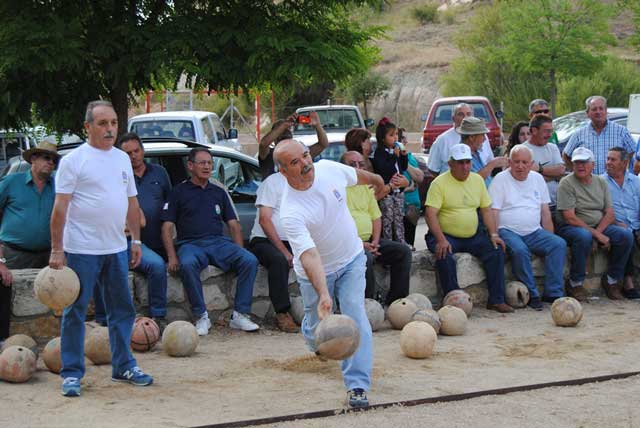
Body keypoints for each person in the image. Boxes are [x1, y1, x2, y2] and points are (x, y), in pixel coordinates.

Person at [50, 100, 153, 397]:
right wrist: (58, 250)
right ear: (87, 127)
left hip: (115, 248)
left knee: (122, 309)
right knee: (76, 310)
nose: (109, 129)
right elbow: (59, 210)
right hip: (81, 249)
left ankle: (123, 366)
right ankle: (71, 374)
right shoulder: (73, 161)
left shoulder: (122, 159)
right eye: (102, 124)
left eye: (113, 124)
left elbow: (132, 202)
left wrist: (135, 240)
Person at [274, 139, 385, 408]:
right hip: (315, 271)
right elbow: (310, 256)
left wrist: (378, 180)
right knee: (316, 327)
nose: (305, 164)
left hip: (351, 259)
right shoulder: (290, 211)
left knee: (355, 316)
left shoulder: (328, 169)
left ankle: (357, 385)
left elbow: (358, 176)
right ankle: (313, 336)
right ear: (283, 172)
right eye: (295, 163)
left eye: (305, 156)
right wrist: (324, 293)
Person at [161, 147, 259, 335]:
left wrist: (239, 253)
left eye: (209, 163)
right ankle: (201, 317)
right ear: (190, 166)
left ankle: (239, 315)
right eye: (202, 163)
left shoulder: (218, 192)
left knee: (249, 260)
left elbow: (233, 224)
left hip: (218, 243)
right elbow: (166, 228)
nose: (207, 167)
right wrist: (172, 257)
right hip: (189, 244)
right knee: (187, 264)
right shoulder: (178, 192)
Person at [93, 132, 171, 330]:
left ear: (143, 151)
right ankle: (103, 320)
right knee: (98, 270)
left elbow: (141, 219)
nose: (133, 156)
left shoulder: (160, 173)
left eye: (136, 151)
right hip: (113, 241)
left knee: (157, 266)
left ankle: (158, 317)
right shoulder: (111, 177)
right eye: (127, 153)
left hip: (139, 242)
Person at [425, 143, 513, 313]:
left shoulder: (477, 180)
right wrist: (441, 239)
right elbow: (430, 214)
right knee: (444, 254)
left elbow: (486, 209)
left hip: (472, 235)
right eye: (460, 163)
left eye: (468, 162)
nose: (465, 167)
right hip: (445, 234)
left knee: (495, 250)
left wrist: (493, 233)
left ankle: (496, 299)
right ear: (450, 164)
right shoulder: (439, 183)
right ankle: (454, 301)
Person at [489, 145, 567, 309]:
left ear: (531, 164)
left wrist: (549, 235)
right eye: (516, 162)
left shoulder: (537, 179)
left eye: (525, 162)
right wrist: (494, 234)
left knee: (558, 244)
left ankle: (553, 293)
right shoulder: (500, 179)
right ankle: (532, 294)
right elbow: (494, 211)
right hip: (507, 230)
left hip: (534, 231)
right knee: (520, 250)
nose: (520, 166)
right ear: (509, 162)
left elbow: (545, 212)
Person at [0, 139, 59, 345]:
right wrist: (0, 260)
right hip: (14, 253)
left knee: (56, 293)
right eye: (45, 157)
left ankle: (54, 339)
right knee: (3, 287)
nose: (50, 162)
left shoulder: (58, 187)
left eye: (53, 159)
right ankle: (3, 341)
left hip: (48, 252)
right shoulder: (11, 182)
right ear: (33, 158)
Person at [556, 147, 634, 302]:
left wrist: (597, 232)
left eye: (585, 162)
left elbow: (610, 213)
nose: (581, 166)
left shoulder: (600, 182)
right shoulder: (566, 183)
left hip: (598, 225)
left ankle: (612, 280)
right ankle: (575, 283)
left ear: (592, 164)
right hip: (572, 227)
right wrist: (596, 235)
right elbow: (570, 217)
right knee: (583, 236)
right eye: (577, 162)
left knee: (625, 235)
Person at [341, 151, 412, 305]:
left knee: (403, 252)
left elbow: (376, 217)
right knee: (365, 256)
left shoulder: (366, 187)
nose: (358, 168)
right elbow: (338, 225)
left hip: (370, 241)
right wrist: (360, 244)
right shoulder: (338, 189)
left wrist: (375, 241)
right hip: (348, 244)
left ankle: (396, 302)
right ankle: (368, 304)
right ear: (343, 167)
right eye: (353, 165)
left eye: (361, 164)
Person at [247, 171, 299, 333]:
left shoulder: (305, 183)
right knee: (278, 260)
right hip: (263, 240)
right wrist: (284, 251)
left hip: (293, 240)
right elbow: (264, 219)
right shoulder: (272, 182)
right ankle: (282, 313)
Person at [563, 96, 636, 175]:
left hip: (614, 183)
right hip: (588, 184)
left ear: (606, 111)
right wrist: (577, 173)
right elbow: (566, 155)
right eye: (594, 109)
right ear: (587, 113)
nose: (598, 112)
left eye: (601, 108)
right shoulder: (578, 134)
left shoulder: (621, 131)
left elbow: (633, 152)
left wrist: (622, 168)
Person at [603, 147, 640, 299]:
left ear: (624, 163)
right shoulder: (600, 182)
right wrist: (616, 223)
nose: (608, 163)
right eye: (608, 159)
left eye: (613, 159)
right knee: (626, 234)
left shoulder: (636, 181)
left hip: (636, 225)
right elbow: (599, 210)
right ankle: (628, 282)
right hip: (616, 226)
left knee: (630, 232)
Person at [427, 103, 500, 176]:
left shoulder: (483, 137)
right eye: (460, 114)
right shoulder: (442, 140)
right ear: (453, 118)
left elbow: (489, 160)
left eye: (468, 114)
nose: (465, 118)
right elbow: (433, 169)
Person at [258, 112, 328, 179]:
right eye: (281, 130)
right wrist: (285, 124)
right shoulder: (269, 154)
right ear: (274, 137)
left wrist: (318, 125)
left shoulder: (300, 153)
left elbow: (323, 144)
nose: (285, 131)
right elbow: (263, 144)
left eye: (288, 129)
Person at [372, 117, 409, 243]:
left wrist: (403, 157)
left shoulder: (396, 151)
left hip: (398, 191)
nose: (395, 138)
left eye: (396, 135)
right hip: (387, 192)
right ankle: (388, 242)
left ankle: (401, 241)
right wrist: (394, 156)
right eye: (391, 135)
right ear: (383, 138)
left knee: (399, 217)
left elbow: (402, 167)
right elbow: (384, 169)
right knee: (387, 219)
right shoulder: (380, 153)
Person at [522, 115, 565, 210]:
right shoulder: (522, 150)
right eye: (546, 131)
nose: (550, 135)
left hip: (556, 204)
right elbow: (526, 179)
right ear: (534, 131)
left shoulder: (553, 147)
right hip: (534, 207)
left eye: (551, 131)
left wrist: (539, 169)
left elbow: (561, 171)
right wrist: (554, 175)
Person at [458, 117, 507, 188]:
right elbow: (472, 182)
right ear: (471, 137)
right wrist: (492, 164)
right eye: (482, 135)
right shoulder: (461, 156)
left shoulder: (475, 152)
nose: (484, 139)